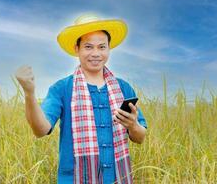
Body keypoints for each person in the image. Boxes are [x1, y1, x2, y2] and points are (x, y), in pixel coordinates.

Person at [15, 14, 147, 184]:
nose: (96, 53)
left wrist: (133, 125)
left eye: (102, 47)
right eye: (88, 47)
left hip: (117, 179)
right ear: (76, 48)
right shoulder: (61, 88)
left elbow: (140, 137)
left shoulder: (123, 88)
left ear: (109, 49)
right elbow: (40, 130)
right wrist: (29, 94)